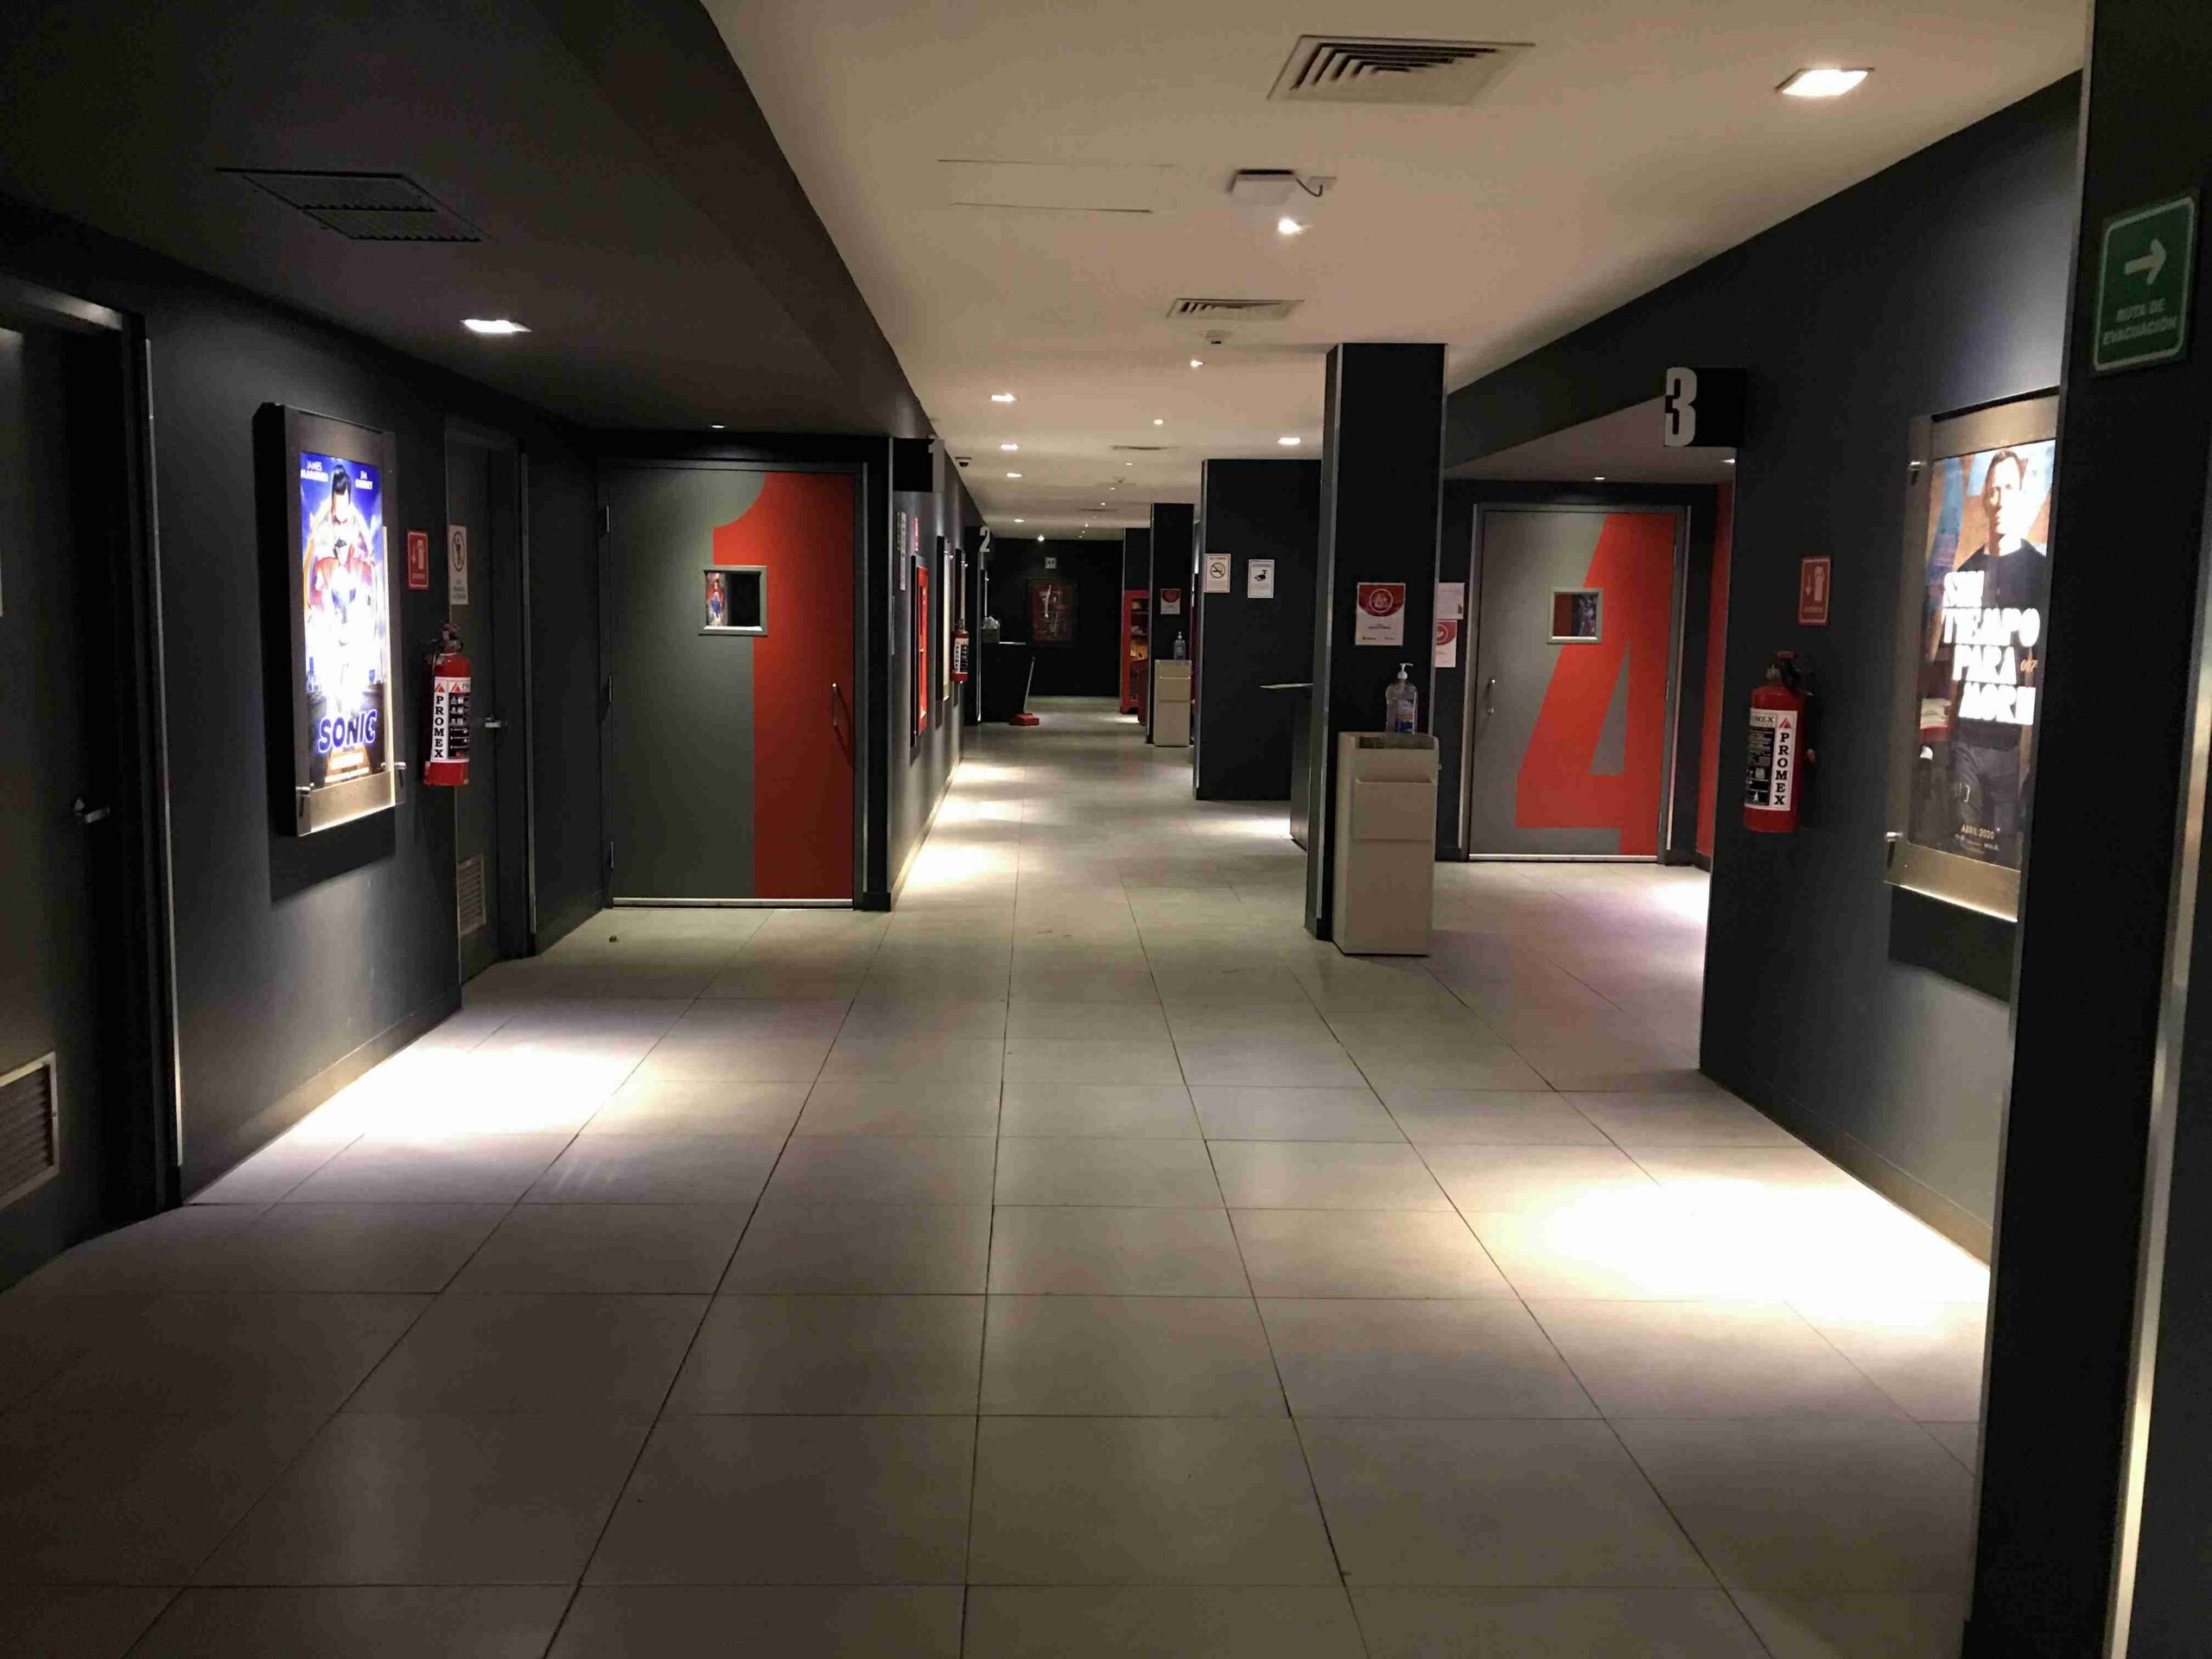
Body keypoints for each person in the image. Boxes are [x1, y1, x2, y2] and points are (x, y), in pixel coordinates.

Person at [1946, 447, 2048, 866]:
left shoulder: (2041, 573)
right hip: (1966, 742)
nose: (2001, 499)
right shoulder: (1966, 574)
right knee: (1963, 857)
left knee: (2006, 860)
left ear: (2021, 494)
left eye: (2009, 487)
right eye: (1994, 490)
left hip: (2011, 748)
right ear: (1985, 499)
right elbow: (1951, 666)